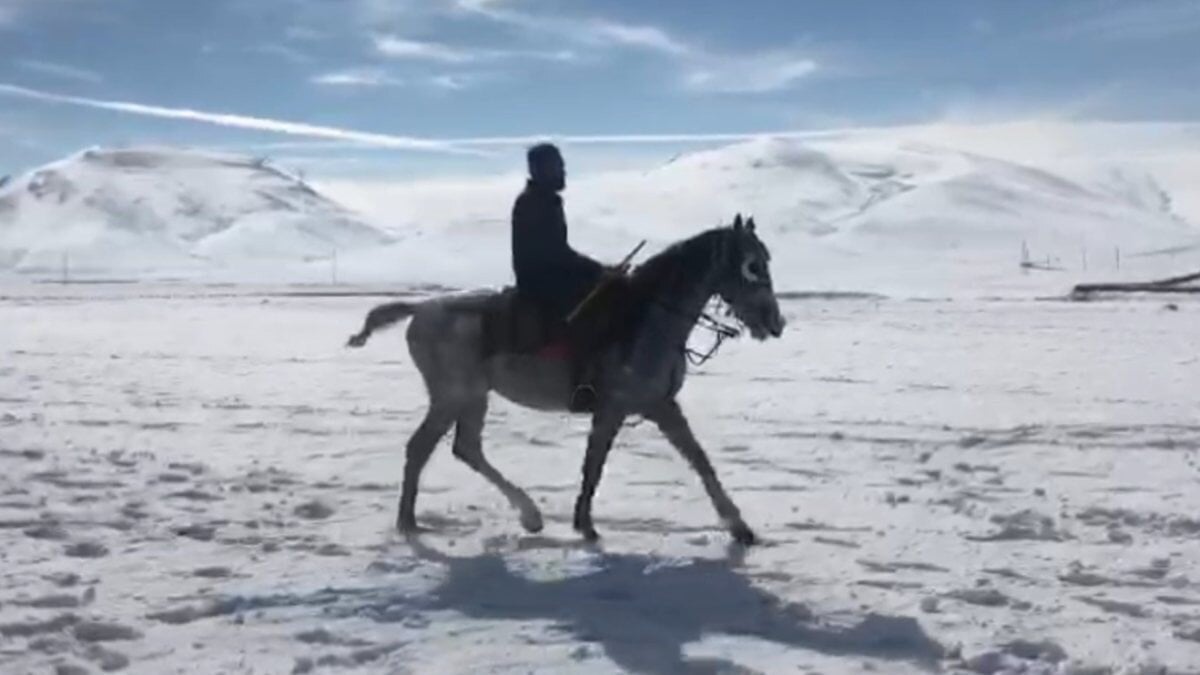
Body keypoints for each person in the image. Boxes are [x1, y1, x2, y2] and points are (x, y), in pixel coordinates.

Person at [510, 143, 617, 411]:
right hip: (540, 281)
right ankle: (582, 386)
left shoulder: (545, 200)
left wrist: (599, 270)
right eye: (558, 166)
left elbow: (559, 252)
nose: (564, 170)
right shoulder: (534, 203)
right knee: (593, 311)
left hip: (551, 274)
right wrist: (598, 270)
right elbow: (555, 252)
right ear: (540, 169)